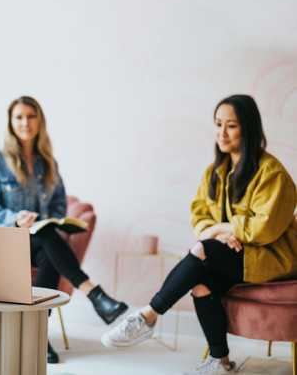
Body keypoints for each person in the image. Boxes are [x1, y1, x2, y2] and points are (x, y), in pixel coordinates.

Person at [101, 94, 297, 374]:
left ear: (248, 128)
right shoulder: (215, 172)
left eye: (231, 125)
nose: (222, 132)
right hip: (232, 255)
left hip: (272, 259)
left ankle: (149, 315)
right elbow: (199, 214)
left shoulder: (271, 173)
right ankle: (221, 361)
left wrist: (219, 229)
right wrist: (220, 234)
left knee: (202, 251)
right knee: (200, 283)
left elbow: (263, 229)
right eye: (218, 124)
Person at [0, 95, 128, 363]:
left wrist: (53, 220)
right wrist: (16, 219)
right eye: (19, 117)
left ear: (40, 121)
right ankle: (94, 294)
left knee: (47, 243)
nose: (25, 123)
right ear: (11, 123)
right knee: (47, 239)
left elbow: (57, 207)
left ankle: (36, 333)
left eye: (31, 116)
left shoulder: (48, 163)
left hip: (37, 243)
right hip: (6, 243)